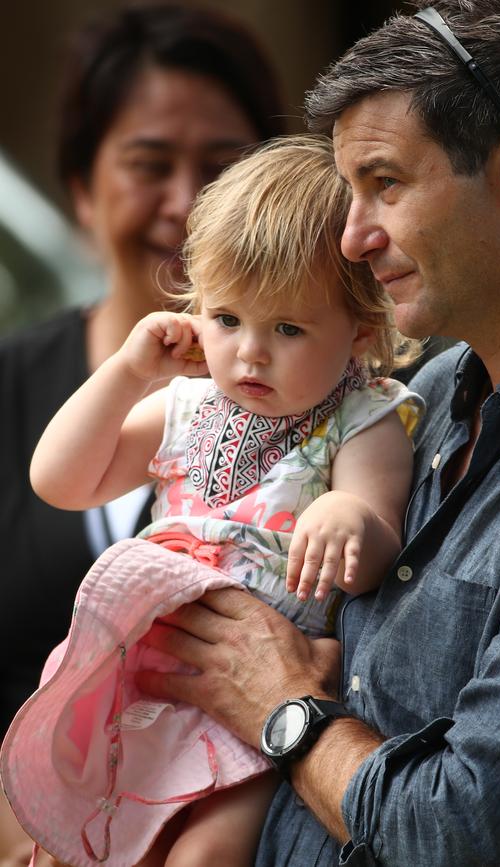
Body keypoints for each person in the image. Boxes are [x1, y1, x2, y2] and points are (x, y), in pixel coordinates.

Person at [109, 1, 500, 865]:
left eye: (385, 184)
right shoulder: (422, 394)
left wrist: (284, 709)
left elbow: (471, 830)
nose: (353, 240)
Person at [1, 135, 422, 867]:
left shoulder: (363, 417)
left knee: (206, 853)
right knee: (76, 842)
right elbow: (61, 480)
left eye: (287, 328)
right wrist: (129, 372)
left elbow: (376, 544)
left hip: (254, 693)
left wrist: (348, 516)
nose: (251, 352)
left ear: (360, 330)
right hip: (140, 670)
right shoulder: (187, 404)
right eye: (227, 319)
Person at [0, 3, 286, 862]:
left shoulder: (328, 407)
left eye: (223, 166)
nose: (187, 202)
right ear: (83, 193)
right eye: (149, 164)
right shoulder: (11, 391)